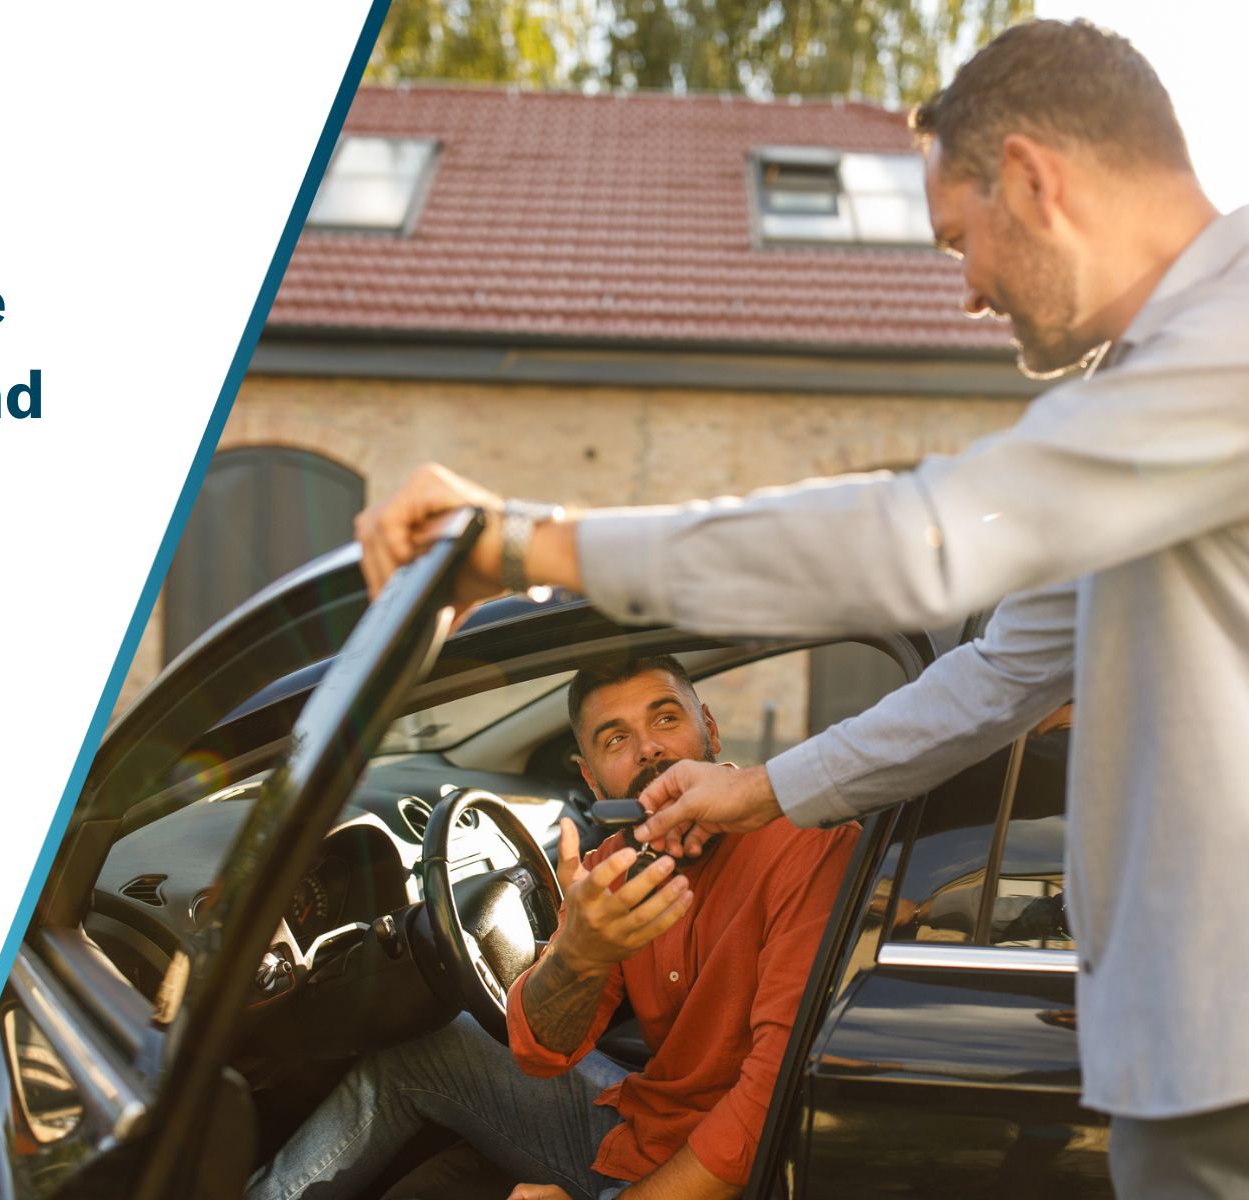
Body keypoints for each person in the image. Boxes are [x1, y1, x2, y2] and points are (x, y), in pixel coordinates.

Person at [353, 19, 1248, 1198]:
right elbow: (993, 677)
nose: (968, 290)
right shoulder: (1154, 386)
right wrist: (758, 788)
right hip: (1172, 1044)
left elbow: (920, 537)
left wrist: (524, 543)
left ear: (1032, 179)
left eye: (957, 241)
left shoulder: (1223, 342)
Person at [246, 658, 856, 1200]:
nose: (648, 749)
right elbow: (541, 1051)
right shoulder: (606, 869)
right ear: (592, 780)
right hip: (649, 1129)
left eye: (666, 719)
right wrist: (579, 955)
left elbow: (773, 1104)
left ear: (711, 731)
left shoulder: (806, 843)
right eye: (616, 739)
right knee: (428, 1043)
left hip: (751, 1173)